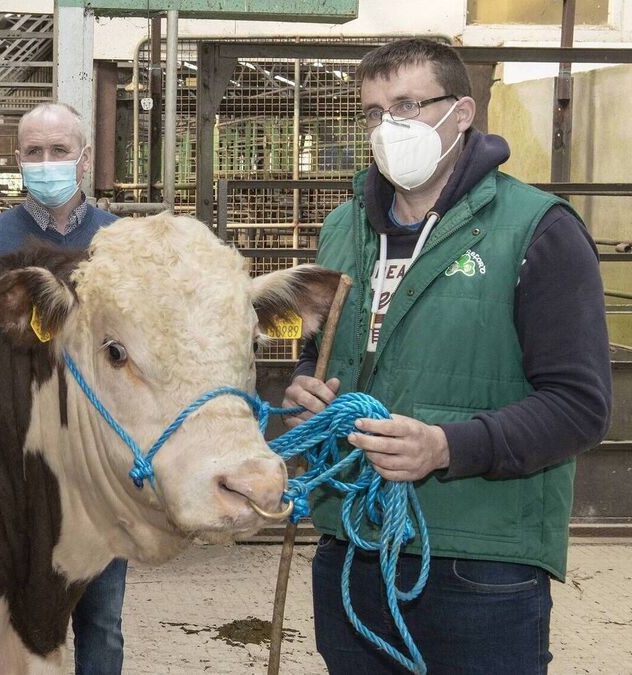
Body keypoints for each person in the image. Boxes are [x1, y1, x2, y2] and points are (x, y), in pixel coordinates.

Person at [282, 38, 611, 674]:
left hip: (480, 561)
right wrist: (306, 391)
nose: (389, 127)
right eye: (375, 113)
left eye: (408, 106)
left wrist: (446, 447)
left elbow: (580, 407)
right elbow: (318, 354)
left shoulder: (539, 229)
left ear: (461, 114)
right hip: (351, 545)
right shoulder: (342, 230)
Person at [0, 102, 125, 674]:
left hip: (97, 463)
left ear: (84, 158)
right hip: (10, 465)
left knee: (100, 616)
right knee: (6, 613)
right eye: (34, 152)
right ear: (18, 159)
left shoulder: (121, 243)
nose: (46, 162)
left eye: (59, 151)